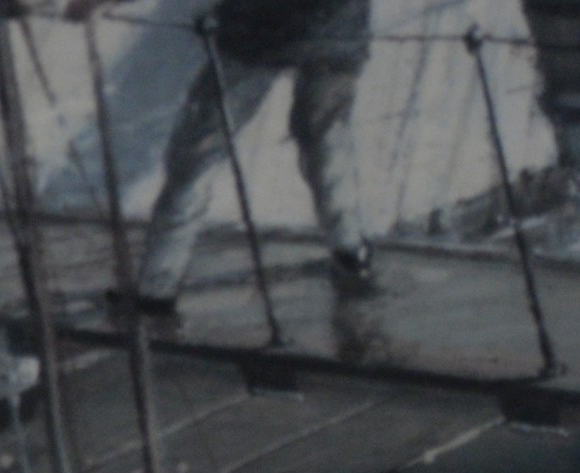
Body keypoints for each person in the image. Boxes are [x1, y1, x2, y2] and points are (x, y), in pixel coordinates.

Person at [84, 0, 380, 316]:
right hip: (334, 34)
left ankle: (157, 284)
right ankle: (350, 251)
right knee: (326, 145)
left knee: (199, 154)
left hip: (258, 34)